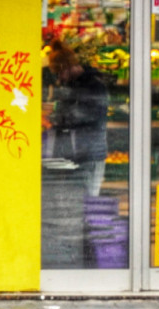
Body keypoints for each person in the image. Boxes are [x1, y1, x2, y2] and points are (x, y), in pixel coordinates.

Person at [47, 39, 109, 196]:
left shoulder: (94, 86)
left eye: (59, 73)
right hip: (76, 153)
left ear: (67, 68)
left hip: (90, 153)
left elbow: (86, 116)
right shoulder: (74, 85)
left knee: (88, 199)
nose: (59, 79)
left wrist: (58, 116)